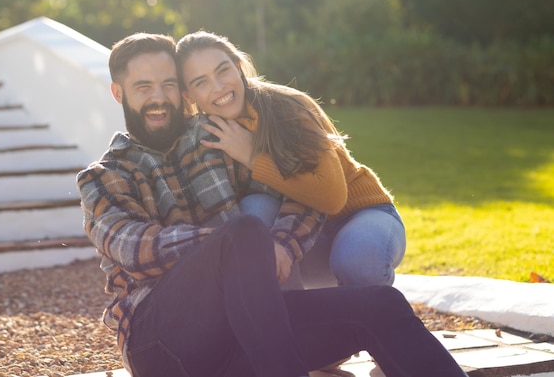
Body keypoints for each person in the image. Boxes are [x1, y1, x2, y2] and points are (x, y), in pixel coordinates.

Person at [77, 32, 469, 377]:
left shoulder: (217, 138)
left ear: (181, 91)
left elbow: (299, 196)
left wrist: (282, 243)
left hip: (247, 336)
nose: (158, 98)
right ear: (119, 92)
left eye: (166, 84)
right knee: (245, 232)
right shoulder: (104, 175)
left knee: (380, 305)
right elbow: (133, 248)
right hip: (164, 349)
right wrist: (237, 249)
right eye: (143, 87)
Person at [176, 30, 406, 289]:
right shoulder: (200, 137)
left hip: (359, 214)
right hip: (303, 237)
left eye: (223, 70)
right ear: (188, 96)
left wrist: (253, 157)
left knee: (358, 262)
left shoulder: (287, 107)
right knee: (256, 209)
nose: (219, 87)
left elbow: (333, 197)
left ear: (238, 67)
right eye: (201, 82)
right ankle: (296, 321)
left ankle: (383, 319)